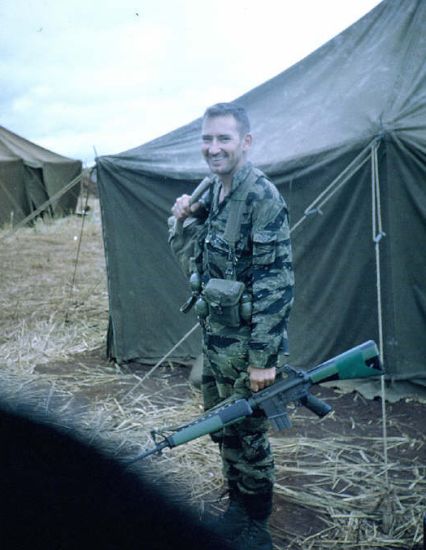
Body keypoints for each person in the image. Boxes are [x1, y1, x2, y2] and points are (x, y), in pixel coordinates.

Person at [170, 102, 294, 550]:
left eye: (224, 138)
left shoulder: (261, 196)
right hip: (218, 340)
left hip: (246, 346)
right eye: (207, 138)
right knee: (225, 427)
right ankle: (238, 508)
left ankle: (257, 525)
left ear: (246, 142)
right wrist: (188, 216)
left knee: (251, 435)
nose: (214, 147)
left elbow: (276, 283)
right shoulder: (215, 193)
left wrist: (263, 360)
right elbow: (202, 255)